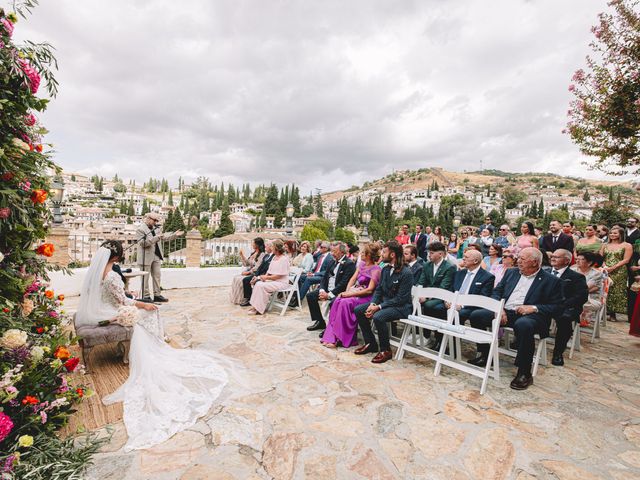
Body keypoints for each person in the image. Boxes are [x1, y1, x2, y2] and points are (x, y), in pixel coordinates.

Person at [75, 240, 230, 451]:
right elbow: (123, 302)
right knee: (153, 310)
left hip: (103, 309)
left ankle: (153, 340)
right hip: (114, 312)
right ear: (117, 256)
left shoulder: (98, 272)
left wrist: (130, 298)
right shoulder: (112, 276)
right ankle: (156, 342)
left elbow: (116, 297)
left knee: (147, 308)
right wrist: (144, 303)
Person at [468, 247, 562, 390]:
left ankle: (524, 372)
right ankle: (486, 355)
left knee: (523, 325)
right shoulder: (511, 272)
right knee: (476, 315)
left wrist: (534, 308)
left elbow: (557, 307)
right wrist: (499, 309)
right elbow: (497, 292)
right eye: (518, 258)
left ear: (535, 262)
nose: (518, 261)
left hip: (533, 316)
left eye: (523, 259)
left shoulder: (551, 280)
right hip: (507, 311)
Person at [354, 241, 413, 364]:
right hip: (386, 303)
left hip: (401, 307)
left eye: (384, 252)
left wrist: (379, 307)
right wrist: (373, 304)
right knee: (359, 310)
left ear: (392, 255)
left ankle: (386, 350)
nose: (381, 254)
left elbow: (400, 299)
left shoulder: (406, 272)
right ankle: (370, 343)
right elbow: (379, 289)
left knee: (378, 317)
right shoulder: (385, 269)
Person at [320, 243, 381, 347]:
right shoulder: (361, 264)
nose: (360, 254)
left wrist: (349, 295)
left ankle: (341, 338)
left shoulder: (376, 269)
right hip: (355, 292)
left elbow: (370, 290)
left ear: (369, 255)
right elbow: (352, 279)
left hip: (366, 297)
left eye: (362, 252)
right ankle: (332, 335)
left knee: (345, 303)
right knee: (338, 299)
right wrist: (347, 292)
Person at [549, 249, 588, 366]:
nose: (553, 258)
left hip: (565, 306)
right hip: (544, 304)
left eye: (557, 257)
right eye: (552, 256)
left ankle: (558, 352)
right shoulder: (544, 272)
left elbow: (581, 297)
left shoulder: (576, 277)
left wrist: (562, 304)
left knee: (565, 320)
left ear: (567, 261)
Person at [306, 242, 356, 331]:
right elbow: (324, 278)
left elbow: (344, 283)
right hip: (327, 290)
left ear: (342, 252)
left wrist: (329, 295)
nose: (332, 253)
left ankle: (331, 327)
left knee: (333, 302)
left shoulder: (349, 264)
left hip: (339, 292)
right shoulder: (331, 261)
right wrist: (322, 290)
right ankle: (320, 321)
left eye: (335, 251)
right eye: (332, 251)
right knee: (311, 296)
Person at [136, 212, 184, 302]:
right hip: (145, 257)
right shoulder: (140, 229)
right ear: (148, 218)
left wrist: (174, 235)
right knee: (145, 277)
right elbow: (143, 243)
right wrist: (156, 238)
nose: (156, 222)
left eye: (157, 220)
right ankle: (146, 296)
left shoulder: (156, 228)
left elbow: (163, 238)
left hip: (157, 255)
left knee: (157, 276)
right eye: (154, 220)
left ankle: (157, 295)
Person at [418, 241, 457, 349]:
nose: (428, 255)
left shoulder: (449, 267)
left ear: (440, 254)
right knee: (414, 302)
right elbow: (421, 282)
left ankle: (434, 336)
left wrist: (427, 297)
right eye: (428, 253)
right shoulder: (427, 265)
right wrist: (419, 294)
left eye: (431, 253)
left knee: (429, 305)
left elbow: (443, 287)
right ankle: (423, 335)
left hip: (442, 296)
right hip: (427, 295)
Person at [452, 249, 495, 346]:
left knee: (457, 314)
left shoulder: (487, 277)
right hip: (454, 303)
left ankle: (455, 347)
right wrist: (449, 301)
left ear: (475, 261)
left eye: (466, 257)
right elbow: (452, 290)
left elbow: (482, 298)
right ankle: (443, 343)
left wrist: (462, 306)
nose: (463, 259)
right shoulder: (459, 273)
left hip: (471, 307)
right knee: (438, 309)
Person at [248, 239, 291, 315]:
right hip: (274, 280)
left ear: (276, 248)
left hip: (281, 282)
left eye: (272, 246)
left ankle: (258, 308)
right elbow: (268, 272)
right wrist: (259, 278)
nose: (271, 248)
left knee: (261, 286)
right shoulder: (274, 258)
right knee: (258, 283)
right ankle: (255, 306)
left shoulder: (284, 259)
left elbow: (279, 276)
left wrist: (266, 278)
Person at [600, 226, 632, 321]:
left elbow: (626, 260)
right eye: (611, 233)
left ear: (621, 234)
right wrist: (605, 266)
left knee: (616, 291)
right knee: (605, 290)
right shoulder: (604, 245)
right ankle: (604, 312)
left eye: (615, 233)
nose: (612, 235)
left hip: (620, 270)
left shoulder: (627, 245)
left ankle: (613, 314)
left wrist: (613, 267)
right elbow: (601, 257)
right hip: (605, 270)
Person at [571, 252, 604, 327]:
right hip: (573, 296)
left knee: (572, 303)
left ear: (589, 262)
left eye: (581, 259)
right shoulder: (572, 270)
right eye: (577, 259)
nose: (577, 261)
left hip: (591, 299)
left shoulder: (596, 274)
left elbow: (585, 288)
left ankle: (572, 327)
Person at [230, 237, 266, 304]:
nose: (252, 244)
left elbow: (257, 267)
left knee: (240, 280)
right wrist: (242, 255)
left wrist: (248, 272)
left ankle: (245, 299)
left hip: (255, 273)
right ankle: (237, 298)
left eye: (253, 243)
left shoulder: (262, 254)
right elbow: (247, 264)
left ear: (257, 245)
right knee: (236, 278)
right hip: (249, 271)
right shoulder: (253, 253)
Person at [240, 241, 274, 306]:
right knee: (246, 280)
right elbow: (260, 267)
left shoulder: (273, 256)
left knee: (247, 280)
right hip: (259, 274)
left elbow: (269, 269)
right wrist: (256, 275)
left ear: (271, 247)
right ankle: (248, 298)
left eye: (266, 246)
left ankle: (252, 299)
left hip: (265, 275)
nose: (265, 247)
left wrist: (260, 276)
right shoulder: (266, 255)